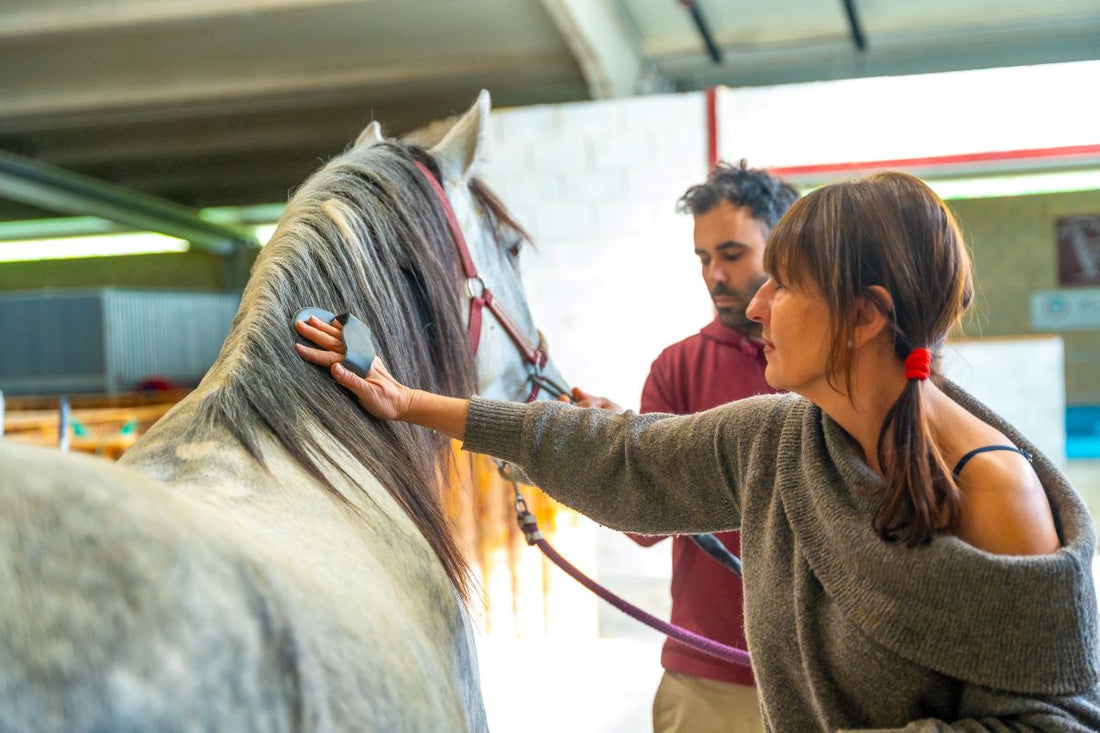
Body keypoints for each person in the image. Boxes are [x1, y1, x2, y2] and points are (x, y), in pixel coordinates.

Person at [294, 171, 1100, 731]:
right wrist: (408, 403)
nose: (755, 304)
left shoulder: (996, 492)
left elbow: (1043, 725)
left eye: (781, 285)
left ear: (864, 317)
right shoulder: (785, 438)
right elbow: (624, 457)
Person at [573, 161, 798, 733]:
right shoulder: (678, 368)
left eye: (732, 253)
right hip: (709, 676)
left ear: (781, 245)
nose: (714, 275)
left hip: (822, 675)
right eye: (703, 258)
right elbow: (644, 523)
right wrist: (609, 451)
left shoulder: (823, 365)